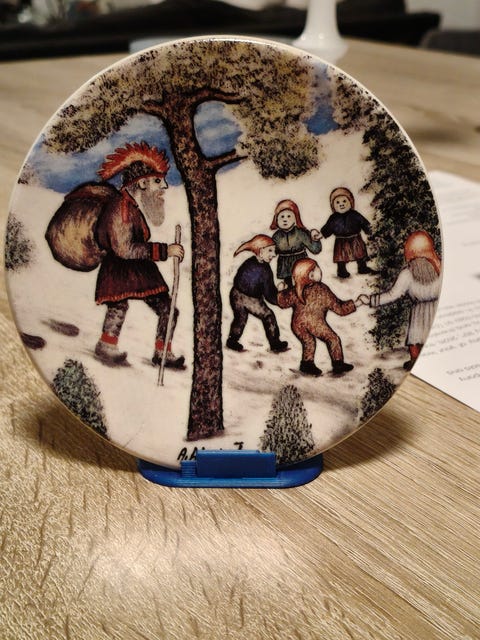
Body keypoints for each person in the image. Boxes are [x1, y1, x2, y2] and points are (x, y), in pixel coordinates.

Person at [93, 142, 185, 367]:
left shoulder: (131, 206)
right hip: (120, 267)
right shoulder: (121, 208)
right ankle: (106, 346)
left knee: (168, 309)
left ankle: (162, 353)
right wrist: (164, 251)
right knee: (118, 306)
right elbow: (124, 249)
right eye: (157, 181)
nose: (164, 186)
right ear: (142, 182)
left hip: (139, 268)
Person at [359, 230, 441, 370]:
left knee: (417, 339)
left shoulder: (408, 273)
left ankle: (417, 361)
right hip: (432, 311)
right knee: (420, 340)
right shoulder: (438, 268)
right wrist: (371, 300)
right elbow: (393, 294)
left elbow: (392, 295)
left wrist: (370, 300)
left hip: (423, 313)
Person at [278, 258, 361, 376]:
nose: (320, 270)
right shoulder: (322, 290)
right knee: (333, 339)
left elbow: (283, 303)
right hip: (315, 324)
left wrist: (280, 291)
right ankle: (338, 364)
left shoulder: (296, 290)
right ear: (311, 275)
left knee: (309, 342)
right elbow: (340, 308)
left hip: (297, 325)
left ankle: (307, 364)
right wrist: (356, 303)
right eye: (317, 268)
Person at [226, 235, 288, 354]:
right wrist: (279, 298)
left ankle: (232, 340)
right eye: (270, 250)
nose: (274, 254)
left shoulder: (249, 262)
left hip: (235, 293)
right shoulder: (265, 269)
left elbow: (239, 279)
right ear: (260, 251)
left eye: (274, 251)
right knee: (268, 316)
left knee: (240, 318)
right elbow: (269, 292)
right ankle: (275, 342)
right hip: (250, 299)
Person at [321, 187, 375, 279]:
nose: (341, 204)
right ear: (333, 205)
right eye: (337, 202)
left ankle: (362, 267)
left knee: (360, 253)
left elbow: (364, 223)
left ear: (350, 202)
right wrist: (322, 234)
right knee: (341, 257)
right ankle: (341, 270)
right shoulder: (333, 218)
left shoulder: (355, 214)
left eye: (344, 201)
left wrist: (370, 230)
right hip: (341, 241)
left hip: (355, 238)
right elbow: (328, 228)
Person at [270, 199, 321, 288]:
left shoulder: (301, 233)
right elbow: (272, 251)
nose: (285, 219)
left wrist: (315, 239)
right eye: (282, 216)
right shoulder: (276, 236)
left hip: (300, 263)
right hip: (285, 266)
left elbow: (315, 249)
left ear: (295, 218)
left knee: (303, 284)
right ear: (276, 219)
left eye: (289, 216)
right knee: (289, 287)